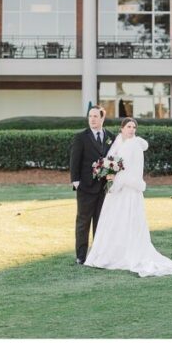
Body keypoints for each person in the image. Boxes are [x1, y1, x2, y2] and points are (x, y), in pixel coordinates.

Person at [84, 118, 172, 277]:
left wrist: (118, 179)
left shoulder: (135, 145)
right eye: (129, 126)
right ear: (122, 128)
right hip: (116, 191)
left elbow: (133, 170)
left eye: (134, 127)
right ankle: (110, 254)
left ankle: (128, 254)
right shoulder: (118, 142)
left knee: (129, 220)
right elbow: (111, 161)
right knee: (114, 221)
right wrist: (107, 173)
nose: (132, 129)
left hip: (129, 189)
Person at [69, 106, 114, 264]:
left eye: (95, 116)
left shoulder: (111, 137)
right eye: (90, 116)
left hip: (104, 188)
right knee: (83, 222)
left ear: (102, 118)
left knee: (101, 222)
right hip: (86, 187)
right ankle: (81, 256)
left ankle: (97, 255)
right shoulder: (81, 137)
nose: (92, 119)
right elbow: (74, 160)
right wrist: (76, 182)